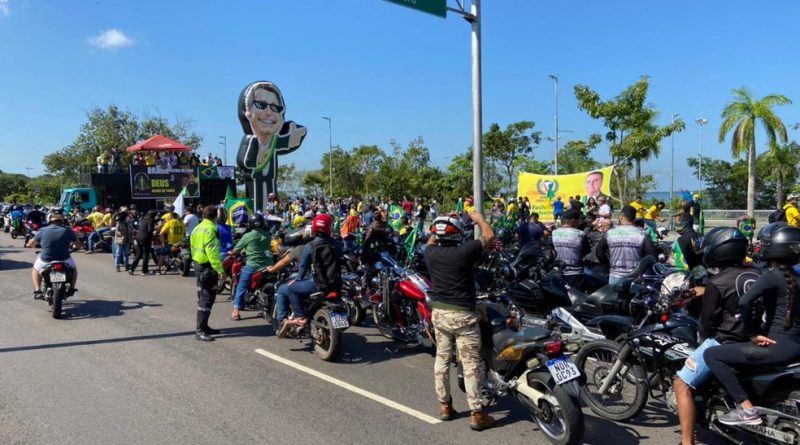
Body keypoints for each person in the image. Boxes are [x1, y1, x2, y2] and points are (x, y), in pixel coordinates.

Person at [704, 225, 800, 425]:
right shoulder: (795, 277)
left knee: (712, 355)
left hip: (777, 347)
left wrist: (752, 334)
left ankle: (747, 410)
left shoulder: (772, 275)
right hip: (794, 347)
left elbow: (744, 302)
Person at [673, 227, 757, 445]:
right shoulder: (757, 272)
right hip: (755, 338)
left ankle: (686, 442)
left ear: (718, 251)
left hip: (725, 339)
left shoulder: (717, 282)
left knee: (681, 383)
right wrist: (702, 290)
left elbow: (707, 322)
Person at [425, 212, 496, 431]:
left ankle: (444, 406)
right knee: (470, 364)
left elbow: (431, 238)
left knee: (442, 360)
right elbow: (489, 236)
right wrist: (479, 219)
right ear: (458, 234)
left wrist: (439, 225)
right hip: (464, 316)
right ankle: (476, 413)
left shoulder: (430, 252)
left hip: (440, 315)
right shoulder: (465, 251)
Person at [274, 214, 341, 337]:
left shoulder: (310, 246)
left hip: (318, 284)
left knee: (290, 288)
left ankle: (300, 318)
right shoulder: (336, 244)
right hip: (336, 284)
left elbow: (303, 267)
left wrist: (297, 281)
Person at [595, 205, 658, 286]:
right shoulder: (643, 234)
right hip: (635, 278)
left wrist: (609, 264)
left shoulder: (609, 233)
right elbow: (652, 257)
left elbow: (599, 253)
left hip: (615, 276)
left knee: (613, 298)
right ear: (634, 219)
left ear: (621, 217)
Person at [189, 206, 224, 342]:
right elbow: (213, 253)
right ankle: (200, 330)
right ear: (215, 216)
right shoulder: (211, 229)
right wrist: (220, 271)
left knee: (203, 296)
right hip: (208, 267)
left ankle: (204, 326)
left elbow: (192, 245)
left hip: (199, 265)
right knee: (207, 298)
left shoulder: (198, 227)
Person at [229, 214, 272, 321]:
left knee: (241, 286)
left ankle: (236, 311)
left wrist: (231, 253)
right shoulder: (267, 235)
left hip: (253, 265)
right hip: (269, 264)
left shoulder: (248, 236)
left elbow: (237, 249)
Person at [27, 213, 79, 300]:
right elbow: (77, 244)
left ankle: (37, 290)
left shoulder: (42, 230)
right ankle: (72, 288)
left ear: (50, 221)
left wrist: (30, 245)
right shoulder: (67, 230)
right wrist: (74, 247)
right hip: (64, 259)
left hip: (45, 260)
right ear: (61, 221)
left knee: (36, 269)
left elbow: (30, 244)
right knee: (74, 270)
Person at [552, 209, 591, 290]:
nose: (579, 222)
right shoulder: (580, 234)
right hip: (575, 273)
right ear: (572, 220)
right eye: (578, 219)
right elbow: (586, 251)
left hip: (558, 271)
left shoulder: (554, 233)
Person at [129, 210, 157, 276]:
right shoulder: (150, 219)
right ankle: (144, 271)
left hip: (138, 237)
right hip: (145, 238)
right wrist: (154, 229)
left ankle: (131, 269)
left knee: (139, 254)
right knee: (146, 255)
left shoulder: (144, 218)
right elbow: (149, 230)